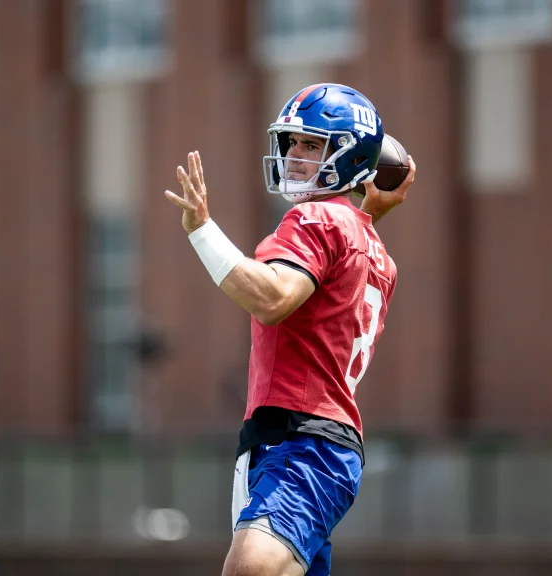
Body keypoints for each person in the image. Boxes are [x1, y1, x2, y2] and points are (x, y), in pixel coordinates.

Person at [163, 83, 416, 576]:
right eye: (292, 143)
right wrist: (370, 208)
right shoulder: (372, 246)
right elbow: (348, 250)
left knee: (249, 571)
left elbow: (273, 298)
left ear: (349, 154)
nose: (294, 155)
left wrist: (202, 230)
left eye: (311, 145)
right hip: (317, 442)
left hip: (302, 441)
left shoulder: (316, 217)